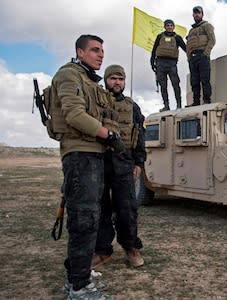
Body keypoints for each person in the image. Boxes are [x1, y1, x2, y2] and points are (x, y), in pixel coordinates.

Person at [53, 34, 122, 300]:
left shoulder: (89, 80)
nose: (100, 54)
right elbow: (73, 114)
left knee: (90, 219)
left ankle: (78, 275)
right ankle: (78, 288)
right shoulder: (69, 76)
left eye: (102, 50)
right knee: (83, 220)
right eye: (94, 50)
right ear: (79, 52)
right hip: (80, 154)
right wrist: (107, 134)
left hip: (93, 154)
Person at [93, 64, 146, 269]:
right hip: (99, 161)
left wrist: (139, 162)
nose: (117, 82)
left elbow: (139, 135)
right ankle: (102, 250)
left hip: (124, 162)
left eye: (120, 79)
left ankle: (131, 247)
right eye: (113, 78)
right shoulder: (97, 102)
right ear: (106, 80)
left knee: (127, 208)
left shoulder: (132, 106)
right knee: (101, 208)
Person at [150, 19, 186, 111]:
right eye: (167, 25)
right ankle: (166, 105)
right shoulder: (159, 36)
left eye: (171, 25)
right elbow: (154, 50)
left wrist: (191, 56)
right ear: (165, 27)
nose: (169, 27)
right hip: (160, 63)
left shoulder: (177, 38)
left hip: (172, 63)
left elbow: (185, 48)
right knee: (163, 85)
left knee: (175, 83)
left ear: (173, 27)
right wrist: (152, 62)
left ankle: (179, 104)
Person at [186, 5, 215, 106]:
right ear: (193, 15)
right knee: (194, 81)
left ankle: (207, 100)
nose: (196, 14)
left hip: (202, 55)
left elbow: (212, 40)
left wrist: (206, 53)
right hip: (192, 58)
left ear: (202, 14)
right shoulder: (191, 31)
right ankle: (196, 101)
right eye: (195, 13)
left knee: (205, 79)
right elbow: (188, 44)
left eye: (198, 12)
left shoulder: (206, 26)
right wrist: (189, 57)